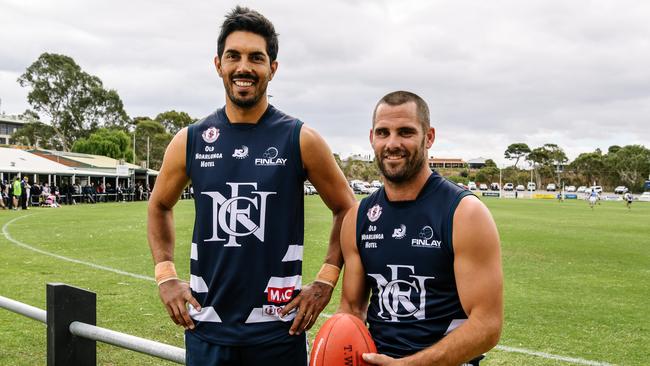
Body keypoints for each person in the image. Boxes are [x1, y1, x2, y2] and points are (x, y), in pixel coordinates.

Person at [147, 6, 355, 366]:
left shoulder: (300, 138)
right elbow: (158, 205)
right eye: (234, 56)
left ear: (272, 68)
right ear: (218, 65)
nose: (244, 67)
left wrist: (325, 279)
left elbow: (348, 208)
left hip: (278, 332)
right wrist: (166, 275)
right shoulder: (192, 140)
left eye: (256, 58)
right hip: (207, 328)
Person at [338, 91, 503, 366]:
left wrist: (411, 365)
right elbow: (352, 309)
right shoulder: (359, 216)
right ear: (372, 138)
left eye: (405, 132)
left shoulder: (465, 214)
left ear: (429, 137)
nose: (392, 143)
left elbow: (487, 325)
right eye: (383, 133)